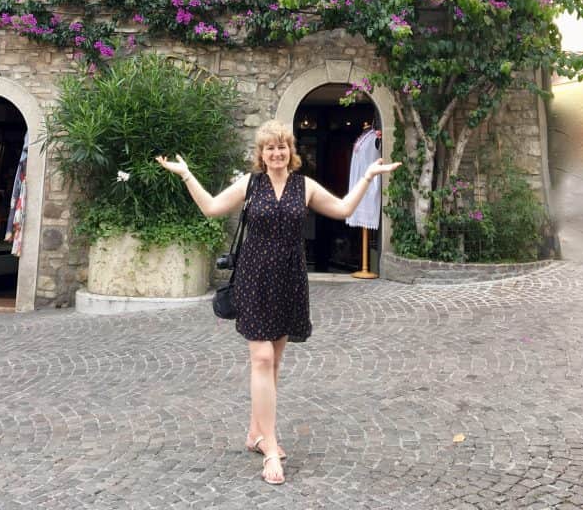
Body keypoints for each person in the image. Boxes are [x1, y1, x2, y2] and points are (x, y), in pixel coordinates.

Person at [156, 118, 400, 485]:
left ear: (291, 151)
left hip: (289, 279)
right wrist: (186, 174)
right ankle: (270, 448)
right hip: (254, 280)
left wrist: (368, 175)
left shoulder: (305, 187)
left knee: (274, 364)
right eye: (269, 148)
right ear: (261, 154)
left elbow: (344, 209)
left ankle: (256, 431)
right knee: (262, 357)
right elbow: (210, 207)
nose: (276, 153)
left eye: (282, 146)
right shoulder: (250, 185)